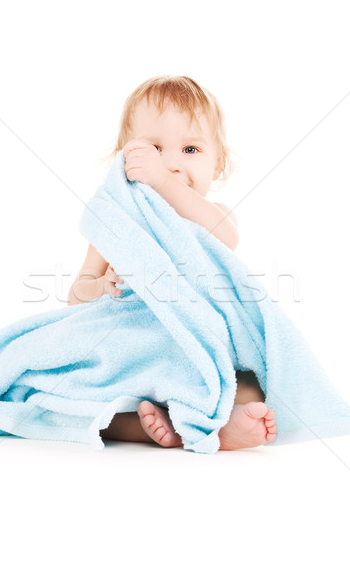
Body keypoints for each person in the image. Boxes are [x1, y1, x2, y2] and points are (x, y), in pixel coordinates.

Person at [67, 75, 277, 450]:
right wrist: (102, 287)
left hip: (198, 349)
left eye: (191, 150)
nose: (172, 165)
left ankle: (216, 424)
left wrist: (162, 181)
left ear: (219, 163)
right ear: (125, 158)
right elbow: (77, 294)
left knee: (251, 385)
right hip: (134, 351)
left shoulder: (214, 215)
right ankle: (146, 427)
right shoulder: (115, 218)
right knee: (81, 399)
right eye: (154, 148)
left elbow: (224, 236)